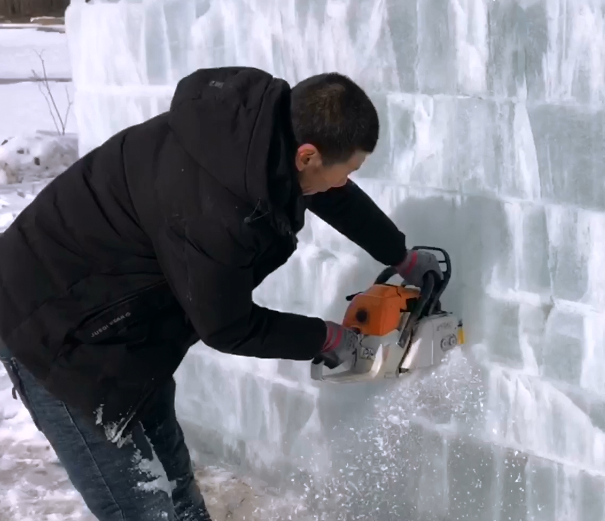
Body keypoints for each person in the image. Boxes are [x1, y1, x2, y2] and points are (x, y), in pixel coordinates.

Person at [0, 66, 443, 521]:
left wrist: (399, 256)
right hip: (54, 331)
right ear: (307, 156)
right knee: (144, 507)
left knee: (178, 492)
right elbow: (228, 326)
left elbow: (330, 192)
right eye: (344, 170)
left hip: (123, 325)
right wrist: (327, 340)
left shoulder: (260, 141)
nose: (341, 182)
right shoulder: (218, 211)